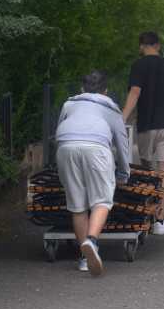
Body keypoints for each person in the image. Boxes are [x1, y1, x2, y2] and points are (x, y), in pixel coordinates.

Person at [55, 70, 130, 276]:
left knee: (78, 205)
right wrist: (123, 173)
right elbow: (122, 143)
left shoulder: (69, 104)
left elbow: (59, 129)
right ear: (105, 91)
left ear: (82, 89)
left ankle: (83, 259)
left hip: (66, 147)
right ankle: (92, 241)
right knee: (102, 201)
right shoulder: (111, 108)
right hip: (96, 148)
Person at [122, 31, 164, 236]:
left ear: (141, 46)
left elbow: (135, 94)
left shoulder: (138, 66)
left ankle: (146, 212)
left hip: (146, 126)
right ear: (159, 46)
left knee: (147, 171)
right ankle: (159, 221)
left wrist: (122, 119)